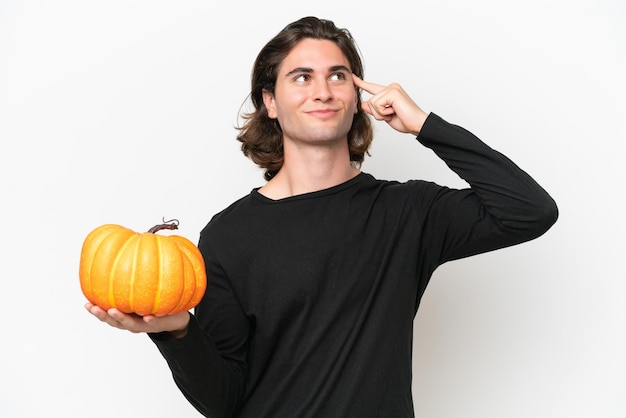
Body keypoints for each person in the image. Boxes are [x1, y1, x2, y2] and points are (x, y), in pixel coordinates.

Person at [85, 16, 558, 418]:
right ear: (270, 102)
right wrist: (178, 333)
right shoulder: (229, 233)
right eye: (302, 77)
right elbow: (224, 399)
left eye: (338, 76)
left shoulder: (408, 212)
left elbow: (529, 211)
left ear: (357, 97)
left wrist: (423, 125)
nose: (323, 91)